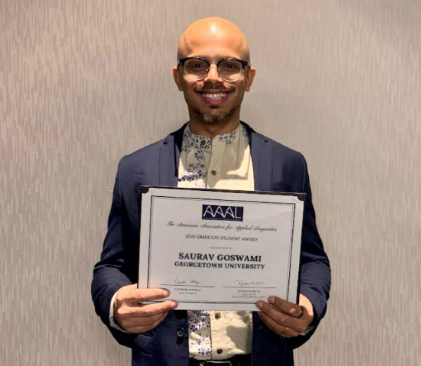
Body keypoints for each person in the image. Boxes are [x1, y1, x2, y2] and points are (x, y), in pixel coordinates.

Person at [91, 17, 331, 366]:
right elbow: (111, 266)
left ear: (248, 78)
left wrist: (307, 304)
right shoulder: (135, 167)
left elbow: (312, 260)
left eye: (230, 65)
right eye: (197, 64)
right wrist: (116, 302)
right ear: (178, 76)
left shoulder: (288, 165)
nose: (213, 77)